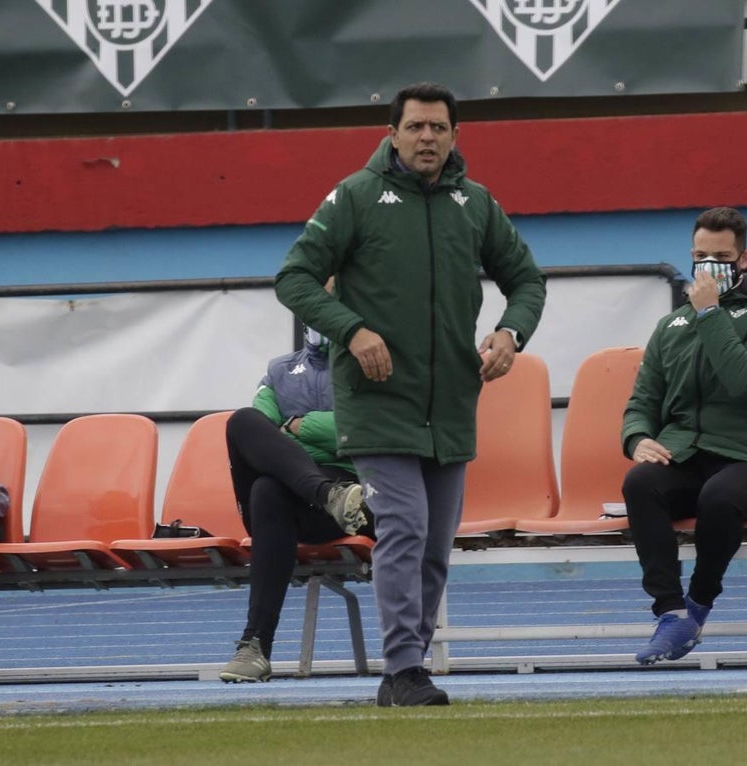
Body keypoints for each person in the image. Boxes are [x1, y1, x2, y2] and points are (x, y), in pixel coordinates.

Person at [274, 82, 546, 706]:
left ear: (455, 136)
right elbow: (293, 276)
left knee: (434, 545)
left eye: (439, 128)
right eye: (417, 126)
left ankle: (405, 672)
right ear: (393, 132)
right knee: (405, 527)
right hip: (376, 400)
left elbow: (527, 279)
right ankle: (403, 666)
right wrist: (352, 329)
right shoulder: (355, 196)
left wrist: (511, 331)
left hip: (451, 402)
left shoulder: (476, 204)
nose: (428, 137)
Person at [621, 206, 747, 665]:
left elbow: (745, 380)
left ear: (743, 258)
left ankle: (697, 608)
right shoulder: (670, 327)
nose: (708, 267)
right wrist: (637, 437)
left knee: (719, 498)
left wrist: (711, 314)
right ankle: (670, 612)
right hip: (687, 454)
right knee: (640, 483)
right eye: (700, 257)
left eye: (720, 256)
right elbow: (642, 402)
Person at [218, 322, 370, 683]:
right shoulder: (279, 371)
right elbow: (260, 435)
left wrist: (302, 426)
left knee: (268, 490)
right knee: (242, 423)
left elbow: (366, 428)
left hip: (353, 501)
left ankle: (255, 644)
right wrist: (320, 433)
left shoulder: (371, 362)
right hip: (302, 500)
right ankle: (325, 493)